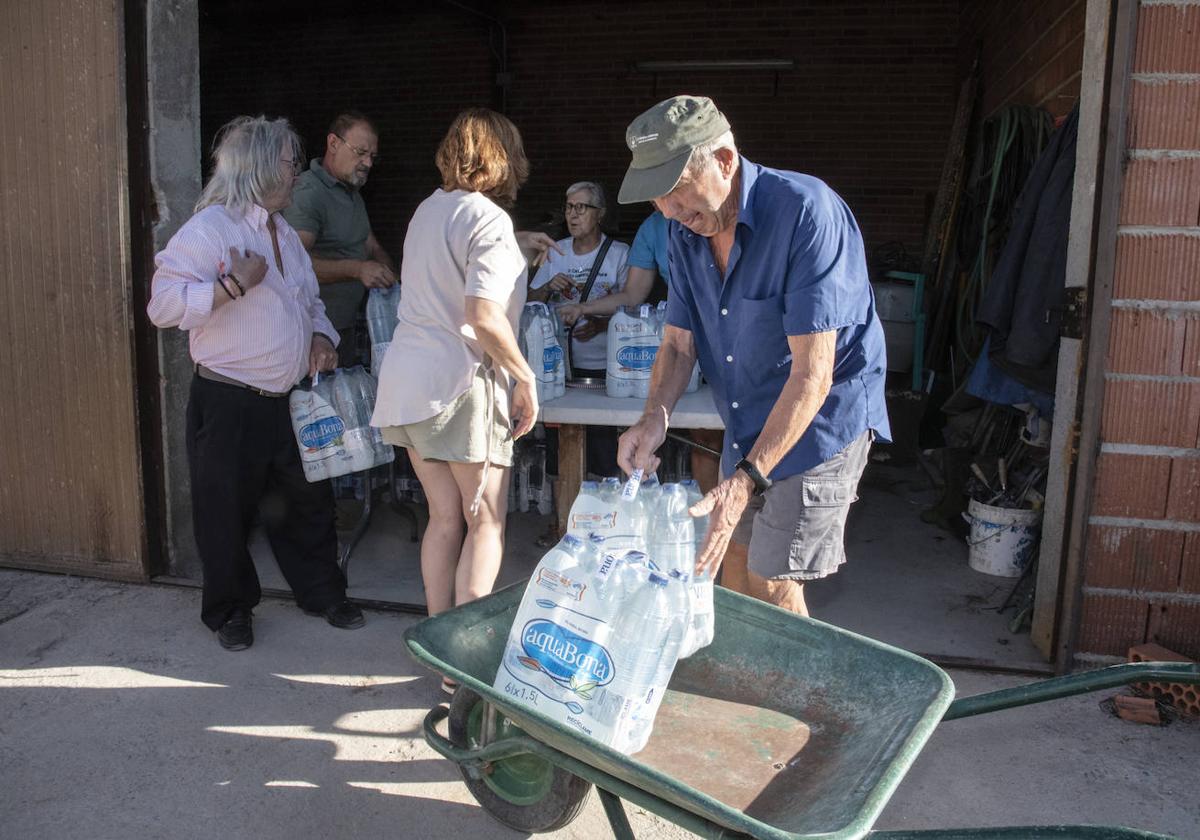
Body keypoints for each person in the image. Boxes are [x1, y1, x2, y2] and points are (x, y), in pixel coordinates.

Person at [615, 95, 891, 616]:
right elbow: (678, 344)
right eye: (657, 199)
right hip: (751, 418)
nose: (669, 211)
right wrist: (654, 418)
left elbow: (814, 374)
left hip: (821, 420)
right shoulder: (683, 231)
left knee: (770, 582)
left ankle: (805, 698)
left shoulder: (806, 212)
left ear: (723, 161)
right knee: (734, 568)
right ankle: (752, 693)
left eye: (676, 190)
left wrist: (745, 481)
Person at [147, 115, 365, 651]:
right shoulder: (211, 229)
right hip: (228, 401)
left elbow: (309, 301)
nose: (297, 173)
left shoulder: (283, 231)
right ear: (263, 167)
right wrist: (230, 284)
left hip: (287, 399)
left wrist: (320, 336)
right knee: (225, 513)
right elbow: (162, 306)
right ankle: (230, 611)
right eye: (291, 163)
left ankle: (322, 594)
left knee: (308, 503)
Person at [370, 109, 538, 691]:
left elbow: (449, 268)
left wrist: (516, 245)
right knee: (486, 520)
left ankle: (438, 642)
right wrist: (524, 376)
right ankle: (466, 665)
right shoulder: (489, 218)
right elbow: (483, 316)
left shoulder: (426, 209)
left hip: (407, 382)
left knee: (444, 518)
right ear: (503, 157)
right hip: (461, 381)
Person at [558, 209, 722, 492]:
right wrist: (584, 309)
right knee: (704, 434)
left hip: (736, 338)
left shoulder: (713, 213)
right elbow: (633, 295)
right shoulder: (654, 227)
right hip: (688, 341)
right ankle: (707, 521)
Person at [282, 111, 396, 365]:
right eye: (360, 152)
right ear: (333, 143)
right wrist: (357, 270)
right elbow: (293, 264)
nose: (368, 163)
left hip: (345, 329)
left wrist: (390, 275)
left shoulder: (350, 190)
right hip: (314, 336)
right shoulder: (308, 192)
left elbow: (371, 245)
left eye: (372, 156)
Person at [527, 181, 629, 378]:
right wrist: (548, 287)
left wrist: (602, 324)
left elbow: (634, 310)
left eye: (581, 207)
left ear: (600, 213)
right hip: (558, 365)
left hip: (610, 365)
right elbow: (529, 305)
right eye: (569, 207)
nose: (573, 215)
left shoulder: (619, 254)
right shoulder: (555, 251)